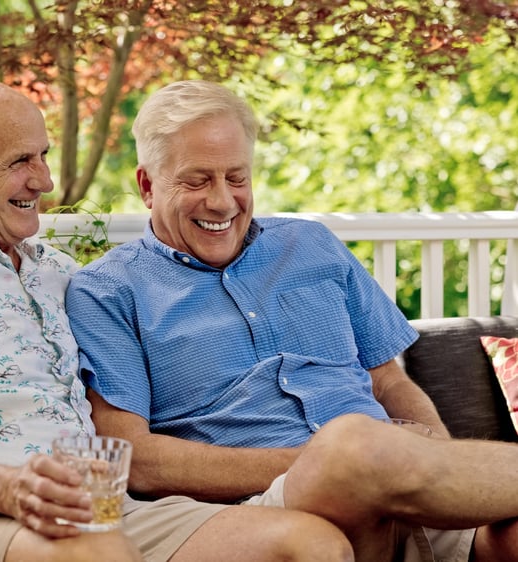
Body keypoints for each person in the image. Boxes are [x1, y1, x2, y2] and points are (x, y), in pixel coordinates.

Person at [0, 77, 354, 562]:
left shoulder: (59, 273)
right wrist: (13, 488)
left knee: (311, 544)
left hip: (104, 510)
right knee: (89, 548)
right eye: (19, 162)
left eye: (44, 157)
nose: (46, 182)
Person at [65, 79, 518, 562]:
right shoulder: (107, 292)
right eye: (197, 181)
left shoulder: (312, 245)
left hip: (395, 485)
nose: (222, 202)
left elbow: (386, 381)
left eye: (236, 178)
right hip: (262, 507)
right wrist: (332, 464)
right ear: (147, 186)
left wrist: (432, 462)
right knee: (352, 442)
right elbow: (137, 459)